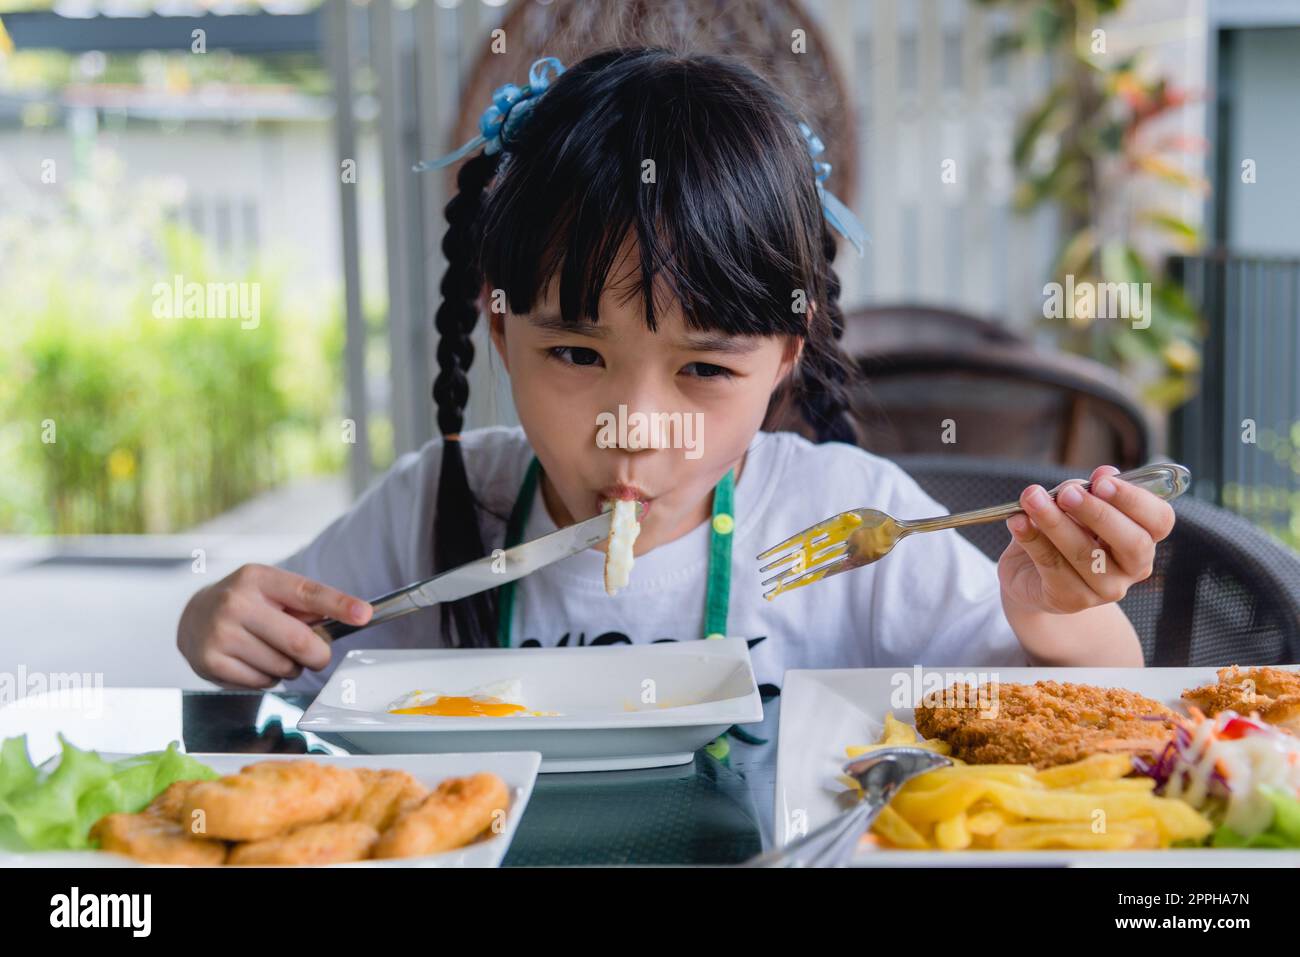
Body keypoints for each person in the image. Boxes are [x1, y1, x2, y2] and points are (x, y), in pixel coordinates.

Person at [178, 48, 1173, 706]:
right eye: (575, 354)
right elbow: (263, 678)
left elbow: (1088, 709)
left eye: (703, 368)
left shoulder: (850, 522)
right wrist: (215, 623)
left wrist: (1061, 615)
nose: (634, 426)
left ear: (784, 355)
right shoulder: (431, 511)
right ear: (497, 327)